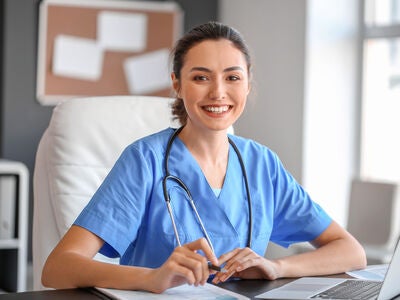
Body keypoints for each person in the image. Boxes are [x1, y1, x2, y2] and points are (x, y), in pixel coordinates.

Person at [42, 21, 366, 293]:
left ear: (248, 83)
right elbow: (58, 268)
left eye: (232, 77)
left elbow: (350, 251)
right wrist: (152, 278)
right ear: (177, 84)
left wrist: (276, 266)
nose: (218, 92)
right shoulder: (144, 161)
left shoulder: (262, 164)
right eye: (201, 77)